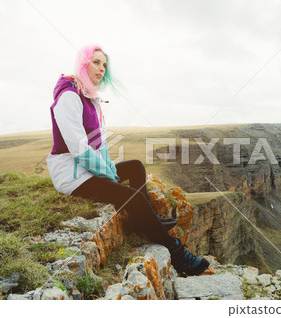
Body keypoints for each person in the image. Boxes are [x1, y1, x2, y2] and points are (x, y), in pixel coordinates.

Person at [46, 44, 209, 276]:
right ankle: (177, 253)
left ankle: (141, 220)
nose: (101, 69)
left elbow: (98, 143)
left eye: (104, 65)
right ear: (83, 63)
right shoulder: (69, 97)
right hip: (71, 175)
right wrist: (107, 172)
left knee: (135, 167)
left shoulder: (89, 97)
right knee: (129, 195)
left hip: (87, 170)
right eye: (95, 62)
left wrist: (108, 166)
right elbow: (79, 149)